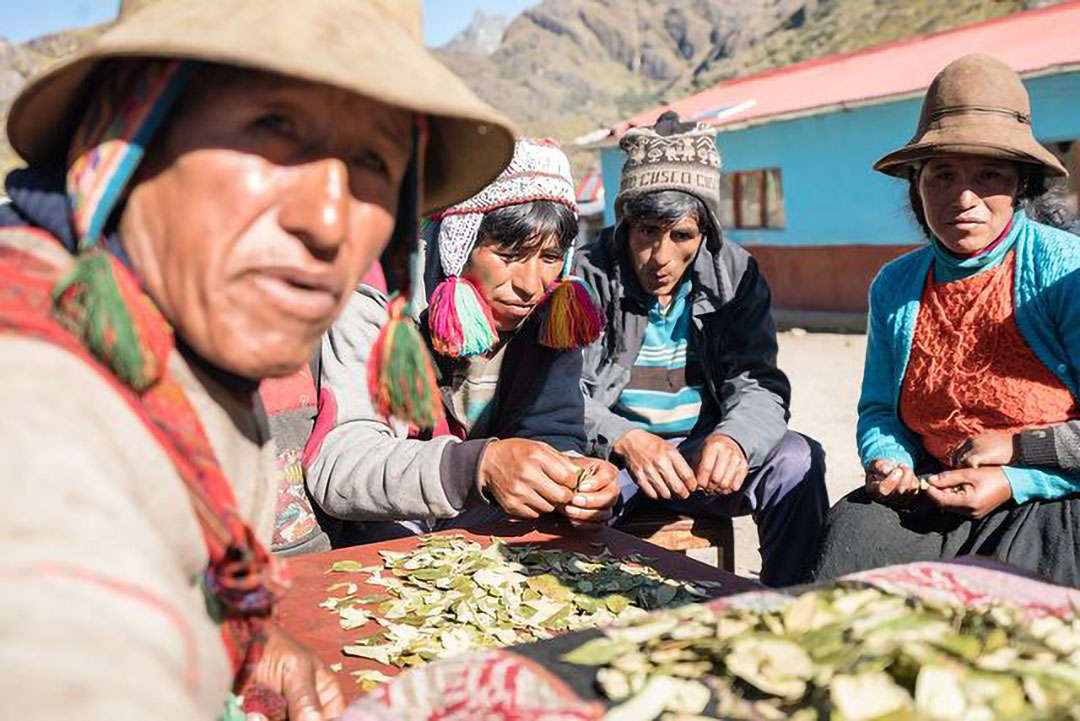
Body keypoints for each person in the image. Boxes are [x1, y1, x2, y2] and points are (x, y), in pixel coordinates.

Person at [0, 0, 516, 718]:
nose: (330, 220)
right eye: (274, 128)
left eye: (373, 160)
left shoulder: (186, 335)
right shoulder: (35, 406)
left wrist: (238, 639)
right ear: (128, 132)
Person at [811, 54, 1080, 586]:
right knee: (853, 532)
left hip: (1051, 495)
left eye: (989, 176)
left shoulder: (1064, 272)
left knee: (1009, 599)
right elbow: (881, 411)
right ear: (916, 185)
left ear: (1020, 187)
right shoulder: (896, 284)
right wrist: (890, 462)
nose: (963, 198)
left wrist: (1016, 470)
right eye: (942, 175)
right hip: (935, 493)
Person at [304, 139, 619, 544]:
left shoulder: (551, 313)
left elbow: (551, 431)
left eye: (550, 257)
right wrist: (473, 468)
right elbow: (340, 468)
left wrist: (576, 478)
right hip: (374, 538)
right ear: (460, 244)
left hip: (483, 536)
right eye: (509, 256)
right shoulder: (376, 299)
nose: (530, 285)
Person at [574, 112, 828, 586]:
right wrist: (625, 439)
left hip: (701, 461)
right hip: (616, 463)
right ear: (626, 224)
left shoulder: (736, 274)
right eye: (647, 231)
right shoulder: (588, 276)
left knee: (796, 461)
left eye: (681, 236)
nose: (661, 257)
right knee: (572, 495)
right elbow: (562, 393)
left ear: (705, 233)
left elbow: (759, 383)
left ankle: (789, 609)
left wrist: (733, 438)